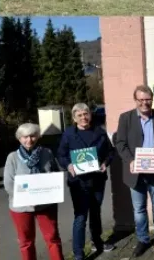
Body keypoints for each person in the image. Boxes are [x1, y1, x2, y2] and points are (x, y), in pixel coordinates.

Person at [114, 85, 154, 257]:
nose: (144, 103)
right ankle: (143, 240)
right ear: (136, 100)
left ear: (152, 99)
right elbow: (120, 143)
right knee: (139, 210)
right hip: (136, 172)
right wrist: (130, 160)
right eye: (141, 100)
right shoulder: (125, 118)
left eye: (147, 99)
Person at [56, 103, 116, 260]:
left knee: (96, 213)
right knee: (81, 217)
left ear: (90, 115)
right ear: (74, 118)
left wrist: (105, 163)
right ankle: (78, 252)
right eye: (80, 115)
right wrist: (68, 165)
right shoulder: (69, 134)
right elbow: (61, 155)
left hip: (97, 179)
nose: (84, 117)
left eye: (86, 114)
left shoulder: (100, 132)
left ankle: (97, 241)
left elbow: (110, 152)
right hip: (78, 182)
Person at [4, 123, 64, 260]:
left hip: (46, 205)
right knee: (26, 242)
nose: (29, 140)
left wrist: (49, 190)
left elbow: (55, 174)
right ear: (19, 138)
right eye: (25, 137)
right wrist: (26, 196)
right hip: (22, 207)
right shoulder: (12, 157)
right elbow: (8, 184)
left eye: (32, 136)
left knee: (53, 238)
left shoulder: (47, 153)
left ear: (37, 137)